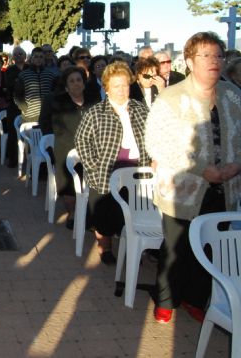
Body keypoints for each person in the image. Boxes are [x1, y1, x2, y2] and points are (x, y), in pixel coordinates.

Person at [145, 32, 241, 324]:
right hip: (181, 189)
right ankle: (166, 299)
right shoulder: (172, 97)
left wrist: (237, 164)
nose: (214, 61)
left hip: (225, 185)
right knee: (177, 248)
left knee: (210, 247)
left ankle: (196, 298)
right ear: (189, 61)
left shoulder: (233, 95)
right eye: (206, 55)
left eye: (218, 55)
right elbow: (157, 143)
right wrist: (202, 169)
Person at [74, 61, 150, 265]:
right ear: (106, 88)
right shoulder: (96, 112)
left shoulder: (140, 110)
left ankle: (134, 247)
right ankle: (105, 247)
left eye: (125, 85)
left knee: (135, 213)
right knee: (106, 214)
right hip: (107, 170)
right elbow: (82, 141)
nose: (121, 90)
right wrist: (93, 166)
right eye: (116, 86)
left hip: (138, 171)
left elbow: (152, 138)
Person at [39, 66, 96, 229]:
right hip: (67, 147)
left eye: (79, 80)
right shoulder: (59, 103)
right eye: (72, 81)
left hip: (92, 149)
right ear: (66, 86)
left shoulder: (93, 100)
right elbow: (60, 130)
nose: (76, 84)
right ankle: (72, 212)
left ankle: (91, 213)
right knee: (69, 175)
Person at [13, 47, 57, 122]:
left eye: (41, 57)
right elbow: (17, 95)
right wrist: (25, 108)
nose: (38, 59)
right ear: (31, 58)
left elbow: (55, 93)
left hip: (48, 115)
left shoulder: (50, 75)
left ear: (44, 59)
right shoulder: (23, 75)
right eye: (36, 57)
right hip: (30, 116)